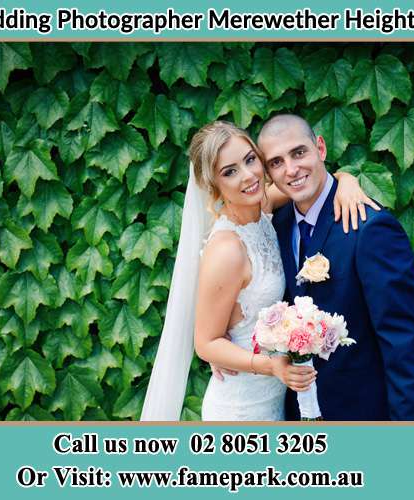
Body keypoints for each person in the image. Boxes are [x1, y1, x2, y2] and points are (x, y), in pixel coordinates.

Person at [140, 121, 377, 421]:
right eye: (229, 172)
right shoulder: (227, 249)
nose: (248, 175)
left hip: (276, 399)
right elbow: (206, 343)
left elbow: (310, 179)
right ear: (213, 185)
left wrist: (346, 180)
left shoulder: (262, 208)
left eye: (250, 160)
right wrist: (269, 366)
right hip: (241, 406)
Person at [257, 114, 414, 420]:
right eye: (277, 162)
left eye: (299, 153)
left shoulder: (370, 229)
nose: (291, 169)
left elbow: (404, 340)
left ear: (320, 148)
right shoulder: (279, 225)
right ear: (269, 172)